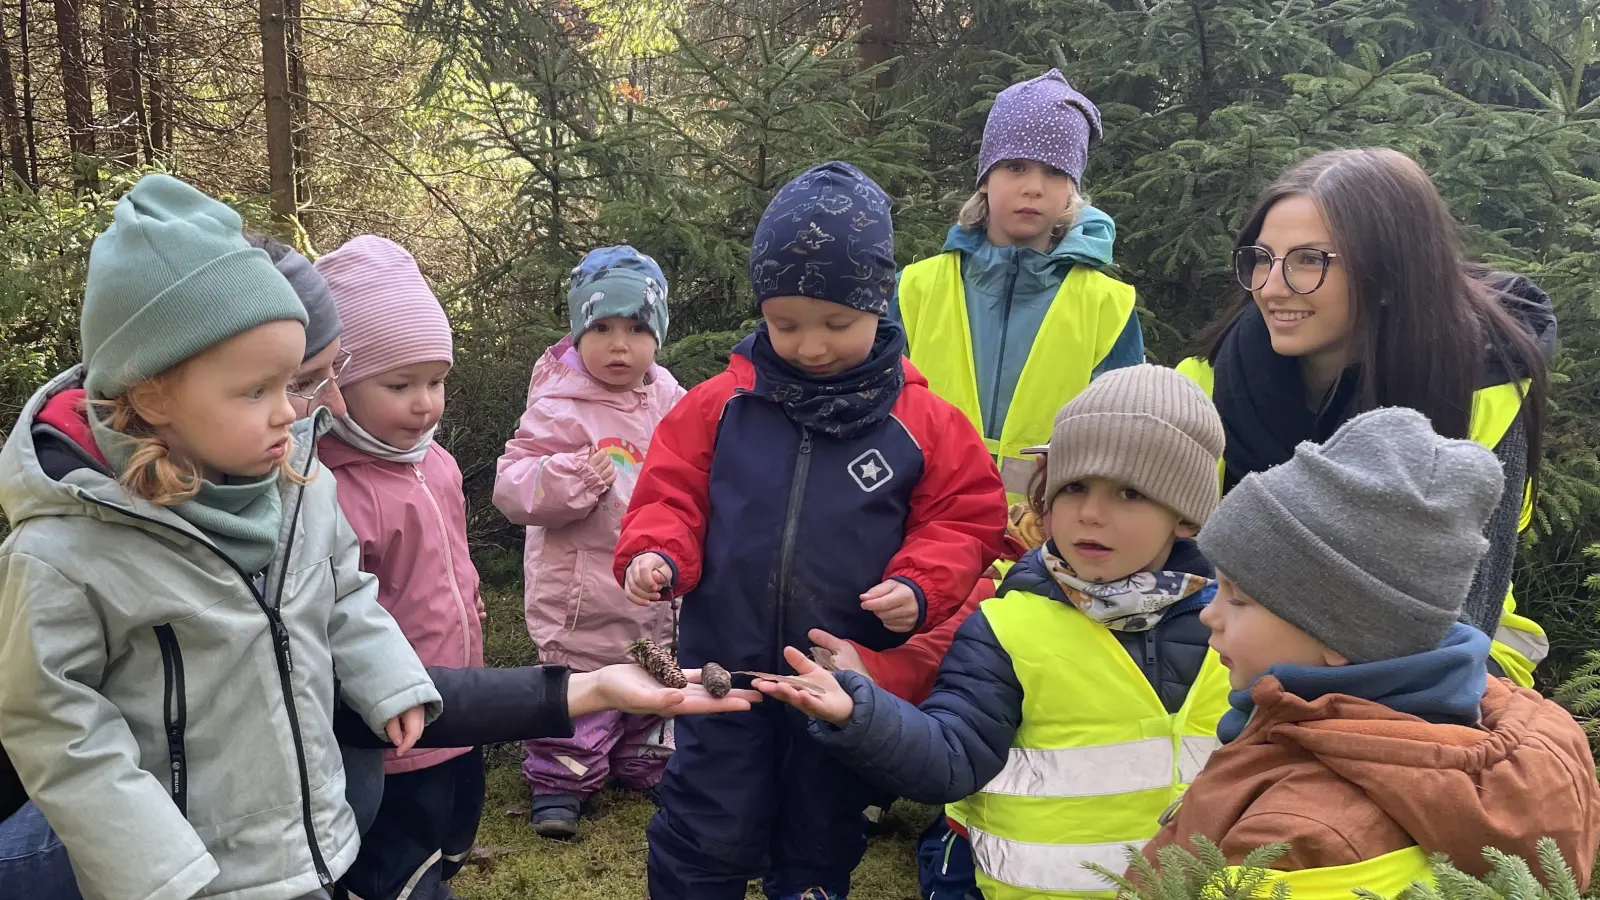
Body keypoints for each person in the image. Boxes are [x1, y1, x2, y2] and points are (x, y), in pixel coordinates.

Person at [0, 174, 441, 900]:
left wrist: (387, 677)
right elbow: (55, 725)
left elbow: (342, 592)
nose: (289, 414)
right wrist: (157, 869)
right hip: (187, 871)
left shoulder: (300, 484)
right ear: (151, 392)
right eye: (256, 391)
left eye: (292, 385)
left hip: (308, 842)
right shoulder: (65, 547)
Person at [614, 161, 1009, 900]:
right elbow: (668, 493)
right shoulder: (718, 406)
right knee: (703, 826)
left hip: (839, 682)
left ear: (879, 305)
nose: (811, 345)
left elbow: (965, 517)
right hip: (718, 677)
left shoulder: (924, 422)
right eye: (785, 323)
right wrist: (656, 553)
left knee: (822, 831)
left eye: (836, 323)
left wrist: (920, 584)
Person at [757, 365, 1235, 900]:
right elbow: (952, 754)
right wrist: (861, 713)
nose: (1091, 514)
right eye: (1074, 486)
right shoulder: (1006, 628)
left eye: (1131, 493)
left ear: (1187, 516)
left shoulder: (1241, 627)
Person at [1140, 407, 1600, 897]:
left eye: (1239, 598)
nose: (1210, 614)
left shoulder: (1299, 836)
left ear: (1342, 637)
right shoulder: (1494, 725)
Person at [1174, 148, 1554, 686]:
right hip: (1225, 660)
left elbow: (1472, 605)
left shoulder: (1482, 395)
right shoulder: (1205, 384)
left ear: (1389, 276)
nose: (1272, 286)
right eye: (1263, 257)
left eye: (1310, 260)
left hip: (1437, 671)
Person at [302, 236, 484, 900]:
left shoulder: (435, 462)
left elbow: (449, 562)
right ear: (339, 387)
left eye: (436, 381)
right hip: (392, 732)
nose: (425, 404)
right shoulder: (328, 487)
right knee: (398, 857)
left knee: (455, 831)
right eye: (400, 384)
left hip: (464, 700)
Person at [493, 246, 686, 838]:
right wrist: (570, 479)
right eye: (601, 327)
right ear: (578, 332)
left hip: (652, 589)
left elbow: (694, 470)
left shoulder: (670, 401)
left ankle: (640, 761)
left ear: (657, 335)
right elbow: (512, 486)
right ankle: (559, 780)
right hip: (580, 594)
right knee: (578, 690)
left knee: (651, 679)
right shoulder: (559, 405)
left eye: (635, 328)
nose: (619, 344)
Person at [894, 69, 1143, 501]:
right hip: (923, 529)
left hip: (1051, 546)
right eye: (1015, 166)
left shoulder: (1109, 306)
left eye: (1053, 171)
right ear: (986, 178)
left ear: (1072, 189)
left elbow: (1125, 439)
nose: (1033, 187)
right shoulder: (914, 289)